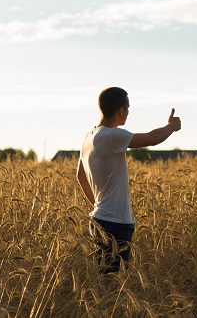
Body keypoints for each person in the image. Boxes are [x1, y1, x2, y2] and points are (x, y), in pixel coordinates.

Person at [76, 87, 181, 273]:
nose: (128, 113)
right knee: (114, 284)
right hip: (115, 224)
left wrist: (98, 204)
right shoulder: (112, 135)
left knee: (106, 278)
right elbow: (153, 138)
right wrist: (171, 126)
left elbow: (80, 175)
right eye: (128, 108)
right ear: (121, 110)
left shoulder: (89, 136)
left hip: (99, 219)